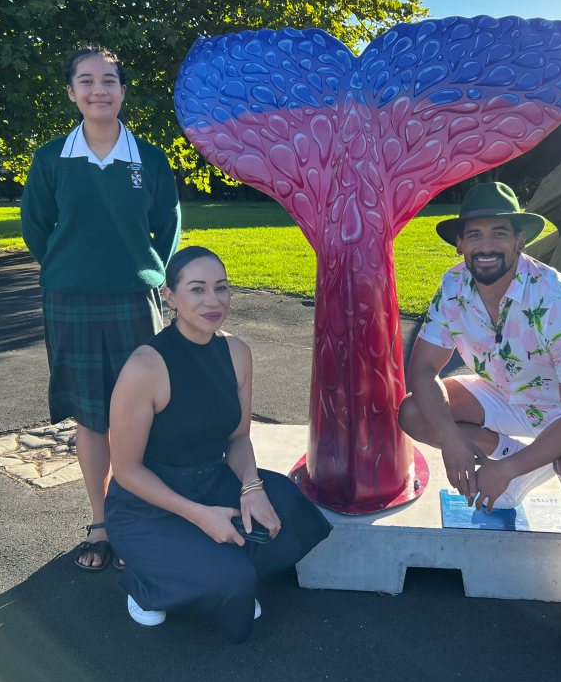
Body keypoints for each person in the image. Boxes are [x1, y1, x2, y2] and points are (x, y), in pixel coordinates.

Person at [398, 182, 561, 677]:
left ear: (520, 240)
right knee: (415, 413)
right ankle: (516, 462)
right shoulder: (454, 285)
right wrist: (453, 443)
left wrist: (505, 469)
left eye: (499, 233)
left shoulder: (559, 297)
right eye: (474, 234)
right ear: (460, 243)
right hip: (506, 394)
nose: (486, 245)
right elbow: (422, 371)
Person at [104, 246, 332, 643]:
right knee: (232, 580)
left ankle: (211, 567)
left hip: (212, 480)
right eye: (197, 289)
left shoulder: (237, 352)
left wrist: (251, 487)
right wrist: (199, 515)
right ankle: (146, 583)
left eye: (221, 288)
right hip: (148, 504)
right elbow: (126, 470)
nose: (214, 301)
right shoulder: (145, 366)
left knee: (289, 507)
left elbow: (238, 437)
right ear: (170, 297)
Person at [21, 45, 181, 571]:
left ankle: (141, 515)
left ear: (122, 91)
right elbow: (36, 228)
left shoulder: (150, 159)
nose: (98, 90)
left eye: (109, 80)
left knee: (145, 413)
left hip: (135, 299)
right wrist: (71, 268)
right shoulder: (50, 159)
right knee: (92, 417)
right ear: (72, 93)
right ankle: (101, 521)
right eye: (86, 81)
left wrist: (154, 272)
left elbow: (168, 224)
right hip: (71, 302)